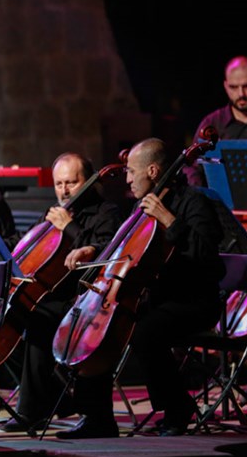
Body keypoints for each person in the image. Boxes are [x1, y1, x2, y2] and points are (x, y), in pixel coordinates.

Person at [56, 138, 225, 439]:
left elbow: (206, 255)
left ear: (153, 170)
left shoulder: (193, 202)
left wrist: (169, 220)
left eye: (132, 172)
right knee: (100, 326)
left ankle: (177, 408)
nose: (128, 179)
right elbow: (122, 251)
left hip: (194, 299)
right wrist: (93, 251)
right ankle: (97, 418)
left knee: (146, 332)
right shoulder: (141, 206)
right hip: (157, 296)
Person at [0, 152, 123, 433]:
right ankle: (49, 400)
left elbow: (106, 254)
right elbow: (22, 244)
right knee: (8, 317)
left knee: (38, 318)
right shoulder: (53, 213)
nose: (64, 191)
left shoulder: (106, 213)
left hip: (87, 299)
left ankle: (35, 409)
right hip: (53, 298)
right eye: (58, 184)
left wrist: (69, 227)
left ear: (90, 182)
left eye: (71, 182)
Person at [186, 56, 247, 188]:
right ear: (225, 86)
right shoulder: (212, 123)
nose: (241, 94)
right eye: (233, 87)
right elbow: (193, 168)